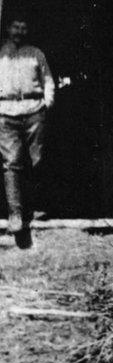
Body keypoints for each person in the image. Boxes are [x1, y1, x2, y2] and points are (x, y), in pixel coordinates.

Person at [0, 15, 54, 235]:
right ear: (8, 29)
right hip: (6, 112)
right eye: (15, 26)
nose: (19, 31)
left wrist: (46, 104)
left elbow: (48, 80)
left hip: (33, 112)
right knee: (11, 162)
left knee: (36, 160)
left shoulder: (36, 54)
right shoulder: (1, 54)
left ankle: (35, 208)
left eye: (23, 27)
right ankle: (16, 213)